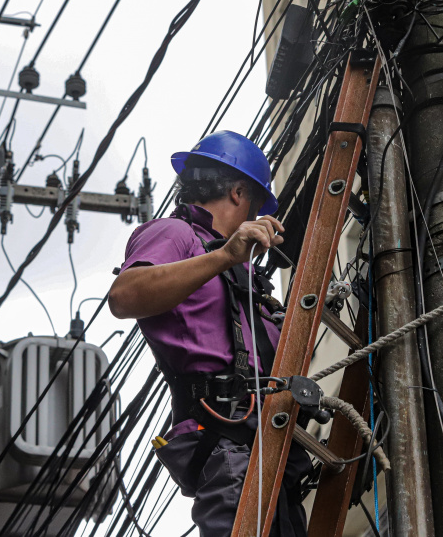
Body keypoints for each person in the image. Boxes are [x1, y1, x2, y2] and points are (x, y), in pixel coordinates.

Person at [108, 130, 310, 536]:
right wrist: (225, 255)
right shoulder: (179, 235)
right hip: (228, 439)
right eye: (253, 206)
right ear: (238, 193)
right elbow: (124, 297)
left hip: (271, 442)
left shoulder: (238, 271)